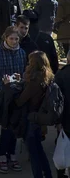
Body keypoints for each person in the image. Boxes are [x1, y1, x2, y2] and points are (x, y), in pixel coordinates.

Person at [0, 26, 27, 173]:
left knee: (14, 124)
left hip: (16, 95)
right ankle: (3, 155)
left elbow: (24, 73)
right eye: (11, 38)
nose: (14, 41)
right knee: (5, 126)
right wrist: (0, 87)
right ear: (5, 38)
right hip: (1, 96)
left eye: (16, 39)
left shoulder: (22, 53)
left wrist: (20, 79)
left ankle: (12, 153)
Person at [8, 51, 54, 178]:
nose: (27, 64)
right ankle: (48, 174)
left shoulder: (34, 80)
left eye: (30, 61)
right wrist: (22, 80)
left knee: (34, 153)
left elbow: (21, 100)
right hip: (40, 117)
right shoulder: (47, 76)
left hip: (31, 118)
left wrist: (10, 87)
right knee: (39, 150)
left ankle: (39, 175)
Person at [55, 50, 70, 178]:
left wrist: (58, 122)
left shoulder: (61, 75)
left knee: (64, 153)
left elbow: (56, 100)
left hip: (66, 121)